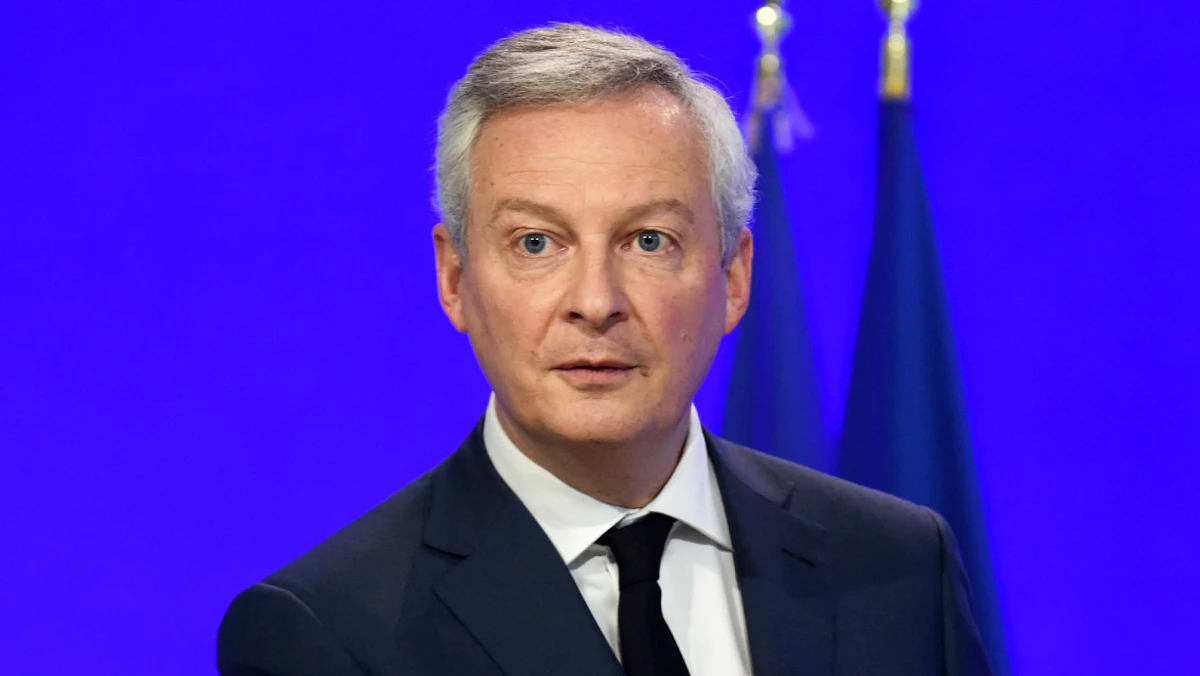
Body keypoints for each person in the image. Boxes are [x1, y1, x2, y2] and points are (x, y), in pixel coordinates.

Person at [217, 23, 992, 676]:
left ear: (733, 278)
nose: (595, 301)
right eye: (536, 242)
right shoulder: (326, 634)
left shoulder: (899, 567)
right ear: (454, 279)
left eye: (649, 240)